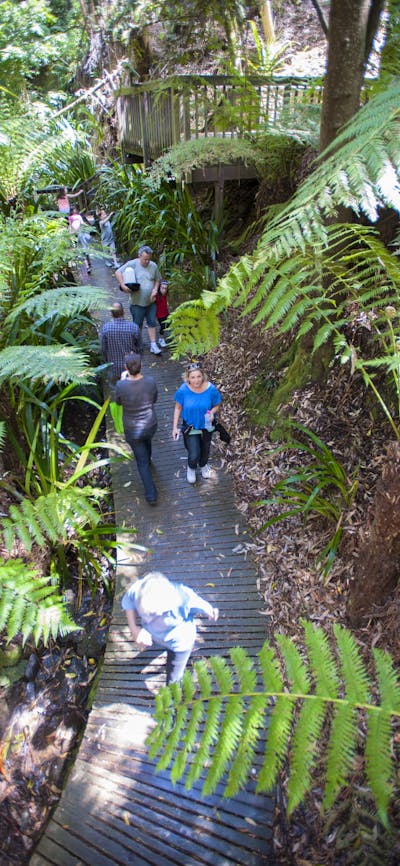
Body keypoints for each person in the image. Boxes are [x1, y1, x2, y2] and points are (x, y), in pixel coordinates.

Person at [122, 571, 219, 684]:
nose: (148, 619)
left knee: (174, 678)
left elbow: (201, 604)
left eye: (154, 614)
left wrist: (210, 611)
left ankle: (173, 698)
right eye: (145, 614)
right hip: (156, 634)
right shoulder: (138, 590)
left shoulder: (184, 598)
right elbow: (128, 602)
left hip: (179, 641)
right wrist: (134, 629)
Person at [115, 352, 158, 504]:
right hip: (150, 424)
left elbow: (118, 402)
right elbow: (154, 399)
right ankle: (149, 458)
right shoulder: (151, 381)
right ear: (141, 367)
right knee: (147, 440)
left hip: (132, 428)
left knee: (141, 463)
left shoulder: (121, 385)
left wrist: (122, 381)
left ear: (126, 368)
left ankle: (151, 495)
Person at [172, 362, 222, 484]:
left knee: (205, 449)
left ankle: (204, 466)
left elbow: (217, 404)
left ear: (203, 376)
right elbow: (178, 408)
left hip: (206, 424)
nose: (196, 380)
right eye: (193, 377)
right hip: (190, 425)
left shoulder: (211, 389)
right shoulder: (183, 390)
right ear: (188, 378)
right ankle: (191, 468)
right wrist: (174, 427)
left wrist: (212, 413)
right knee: (194, 453)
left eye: (199, 376)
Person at [115, 245, 162, 355]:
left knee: (152, 322)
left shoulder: (153, 266)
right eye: (145, 259)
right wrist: (123, 285)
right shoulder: (132, 264)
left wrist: (155, 289)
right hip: (137, 302)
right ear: (139, 256)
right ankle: (137, 343)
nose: (147, 261)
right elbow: (118, 272)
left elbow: (157, 279)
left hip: (151, 301)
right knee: (137, 324)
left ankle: (153, 344)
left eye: (149, 259)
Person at [100, 302, 143, 383]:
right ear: (124, 311)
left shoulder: (106, 329)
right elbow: (140, 348)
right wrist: (138, 362)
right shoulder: (134, 327)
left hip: (113, 366)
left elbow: (103, 349)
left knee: (116, 389)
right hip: (131, 367)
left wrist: (106, 361)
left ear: (110, 314)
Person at [68, 206, 92, 273]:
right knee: (82, 251)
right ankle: (87, 266)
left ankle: (88, 263)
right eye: (74, 209)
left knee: (85, 250)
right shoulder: (70, 217)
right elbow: (71, 225)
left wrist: (88, 227)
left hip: (80, 235)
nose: (75, 210)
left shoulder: (78, 216)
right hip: (76, 235)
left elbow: (82, 223)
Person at [155, 279, 169, 348]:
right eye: (162, 288)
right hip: (160, 315)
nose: (164, 290)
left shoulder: (165, 295)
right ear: (159, 288)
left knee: (168, 324)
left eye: (165, 288)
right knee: (163, 326)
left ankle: (164, 337)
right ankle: (161, 339)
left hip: (166, 313)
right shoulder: (157, 296)